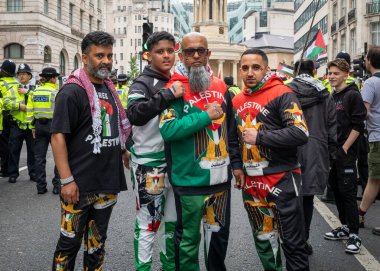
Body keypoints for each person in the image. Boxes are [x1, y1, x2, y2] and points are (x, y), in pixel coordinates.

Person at [159, 32, 244, 271]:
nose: (195, 56)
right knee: (187, 243)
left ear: (209, 54)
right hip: (188, 181)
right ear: (182, 56)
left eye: (200, 51)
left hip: (220, 181)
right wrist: (205, 116)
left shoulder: (221, 86)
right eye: (189, 52)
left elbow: (230, 131)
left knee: (218, 240)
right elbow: (168, 130)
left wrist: (236, 165)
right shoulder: (173, 88)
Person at [51, 31, 131, 270]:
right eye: (99, 55)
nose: (106, 61)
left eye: (109, 55)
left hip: (107, 183)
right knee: (68, 245)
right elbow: (57, 137)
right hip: (78, 186)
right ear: (84, 58)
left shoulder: (110, 90)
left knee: (97, 244)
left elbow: (112, 129)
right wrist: (66, 180)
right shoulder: (72, 91)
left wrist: (122, 151)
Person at [232, 49, 309, 271]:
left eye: (256, 67)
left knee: (292, 244)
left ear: (266, 69)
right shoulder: (237, 99)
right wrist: (237, 166)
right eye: (245, 68)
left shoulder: (282, 93)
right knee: (264, 241)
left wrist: (261, 137)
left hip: (282, 179)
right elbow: (232, 138)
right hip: (251, 183)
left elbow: (300, 133)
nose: (249, 73)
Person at [126, 31, 184, 271]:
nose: (166, 55)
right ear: (148, 55)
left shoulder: (178, 79)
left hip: (177, 164)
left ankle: (169, 267)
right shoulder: (142, 82)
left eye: (170, 50)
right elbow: (135, 114)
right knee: (149, 223)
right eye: (160, 51)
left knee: (171, 224)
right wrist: (168, 94)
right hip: (150, 165)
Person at [288, 59, 337, 255]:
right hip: (315, 151)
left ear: (295, 72)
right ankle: (303, 241)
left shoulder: (286, 91)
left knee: (288, 198)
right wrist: (330, 154)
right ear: (314, 72)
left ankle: (290, 240)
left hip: (289, 150)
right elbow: (332, 127)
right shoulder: (325, 94)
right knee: (307, 199)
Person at [323, 59, 366, 254]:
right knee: (337, 191)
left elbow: (358, 125)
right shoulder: (333, 95)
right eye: (330, 73)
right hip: (332, 152)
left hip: (346, 153)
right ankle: (345, 226)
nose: (331, 76)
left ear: (346, 74)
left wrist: (345, 149)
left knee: (348, 193)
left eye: (335, 73)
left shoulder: (352, 95)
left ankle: (355, 234)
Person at [26, 67, 61, 194]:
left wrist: (32, 127)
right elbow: (60, 112)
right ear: (52, 78)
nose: (56, 80)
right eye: (55, 78)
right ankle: (57, 185)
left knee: (39, 158)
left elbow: (30, 111)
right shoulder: (56, 92)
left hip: (39, 126)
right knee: (58, 155)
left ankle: (41, 186)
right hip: (54, 127)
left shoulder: (34, 92)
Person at [358, 46, 380, 235]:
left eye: (365, 58)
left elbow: (363, 112)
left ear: (370, 61)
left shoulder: (371, 82)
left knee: (374, 179)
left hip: (377, 137)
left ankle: (359, 215)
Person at [3, 63, 36, 183]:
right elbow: (5, 103)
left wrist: (27, 92)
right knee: (13, 149)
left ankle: (33, 173)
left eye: (24, 74)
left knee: (32, 151)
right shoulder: (13, 89)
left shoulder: (35, 89)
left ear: (29, 76)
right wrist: (19, 106)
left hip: (31, 125)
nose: (21, 76)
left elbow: (38, 103)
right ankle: (13, 174)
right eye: (20, 74)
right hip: (16, 124)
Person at [0, 60, 18, 178]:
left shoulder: (1, 83)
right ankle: (7, 169)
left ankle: (5, 169)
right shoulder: (16, 83)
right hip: (13, 117)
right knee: (8, 145)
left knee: (2, 145)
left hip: (2, 117)